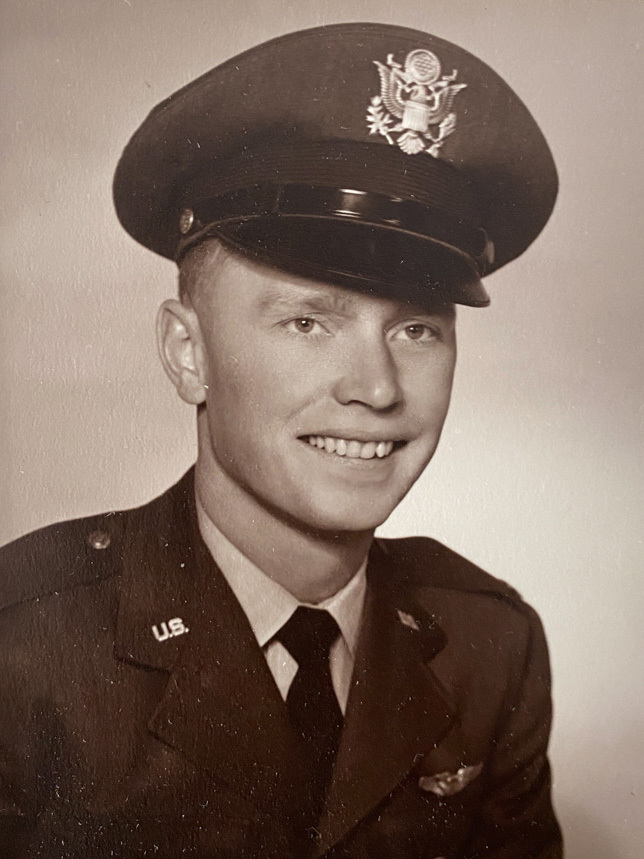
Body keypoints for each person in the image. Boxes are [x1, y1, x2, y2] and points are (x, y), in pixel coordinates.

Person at [0, 22, 563, 859]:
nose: (375, 388)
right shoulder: (25, 646)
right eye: (308, 320)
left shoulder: (489, 645)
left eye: (416, 329)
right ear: (188, 354)